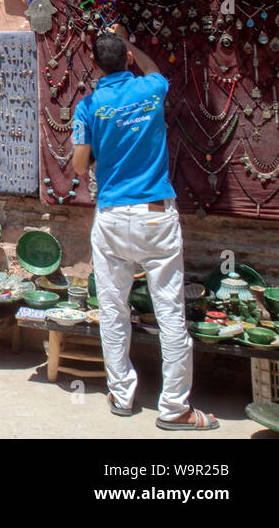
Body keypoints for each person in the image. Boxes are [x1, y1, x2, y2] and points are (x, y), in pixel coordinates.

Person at [70, 25, 217, 431]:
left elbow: (80, 165)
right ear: (127, 60)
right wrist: (132, 45)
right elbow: (155, 71)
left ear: (97, 66)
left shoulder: (88, 107)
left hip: (113, 218)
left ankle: (121, 394)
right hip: (155, 216)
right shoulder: (150, 89)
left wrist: (97, 145)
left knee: (113, 310)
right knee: (170, 312)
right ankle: (174, 409)